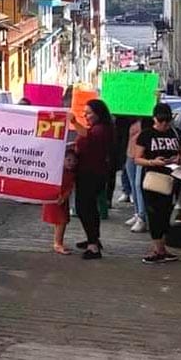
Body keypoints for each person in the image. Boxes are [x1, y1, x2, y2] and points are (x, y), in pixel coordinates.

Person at [134, 103, 181, 263]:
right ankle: (158, 248)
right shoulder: (146, 135)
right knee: (154, 213)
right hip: (153, 178)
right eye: (160, 120)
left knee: (166, 212)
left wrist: (179, 159)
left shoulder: (176, 133)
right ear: (154, 119)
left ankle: (161, 248)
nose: (164, 124)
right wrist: (153, 162)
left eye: (167, 120)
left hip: (173, 177)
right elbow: (137, 158)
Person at [69, 99, 114, 260]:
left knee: (84, 208)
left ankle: (93, 245)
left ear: (98, 114)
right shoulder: (98, 128)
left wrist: (74, 122)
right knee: (89, 208)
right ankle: (92, 238)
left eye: (88, 113)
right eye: (85, 113)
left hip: (91, 174)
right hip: (89, 172)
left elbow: (89, 138)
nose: (85, 116)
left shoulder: (101, 130)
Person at [43, 148, 78, 255]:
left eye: (74, 161)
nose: (71, 163)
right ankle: (58, 243)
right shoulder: (58, 172)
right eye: (68, 160)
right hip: (56, 199)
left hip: (62, 200)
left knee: (61, 221)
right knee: (61, 221)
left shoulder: (70, 173)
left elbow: (70, 188)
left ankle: (58, 241)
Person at [125, 117, 149, 232]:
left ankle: (142, 217)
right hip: (131, 154)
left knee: (138, 185)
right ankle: (137, 212)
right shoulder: (131, 119)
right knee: (134, 185)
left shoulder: (148, 121)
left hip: (142, 155)